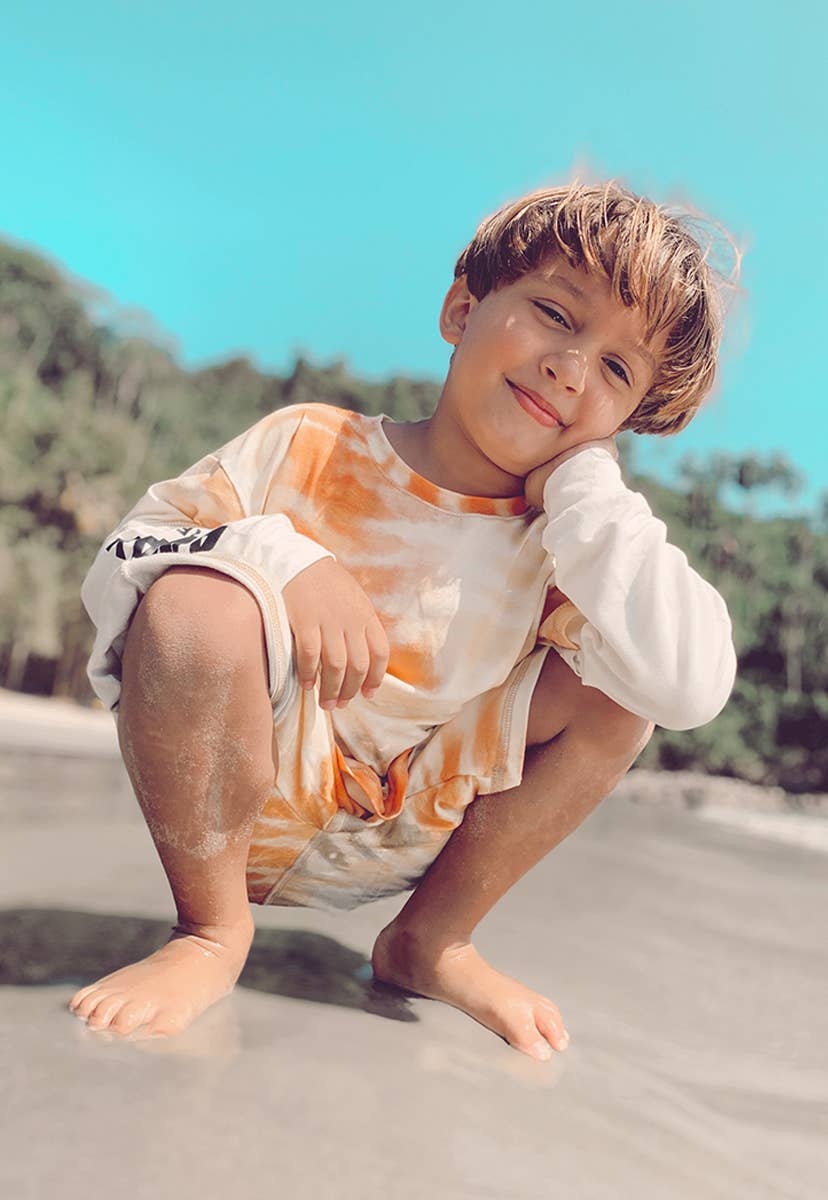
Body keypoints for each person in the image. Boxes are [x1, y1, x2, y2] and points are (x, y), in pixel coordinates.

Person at [68, 181, 737, 1060]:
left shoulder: (571, 551)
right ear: (461, 308)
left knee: (624, 693)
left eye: (617, 370)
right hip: (238, 801)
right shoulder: (311, 444)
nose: (572, 369)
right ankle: (209, 934)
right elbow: (127, 554)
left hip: (404, 831)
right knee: (195, 598)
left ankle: (432, 940)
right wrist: (278, 559)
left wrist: (586, 487)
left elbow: (688, 688)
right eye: (554, 314)